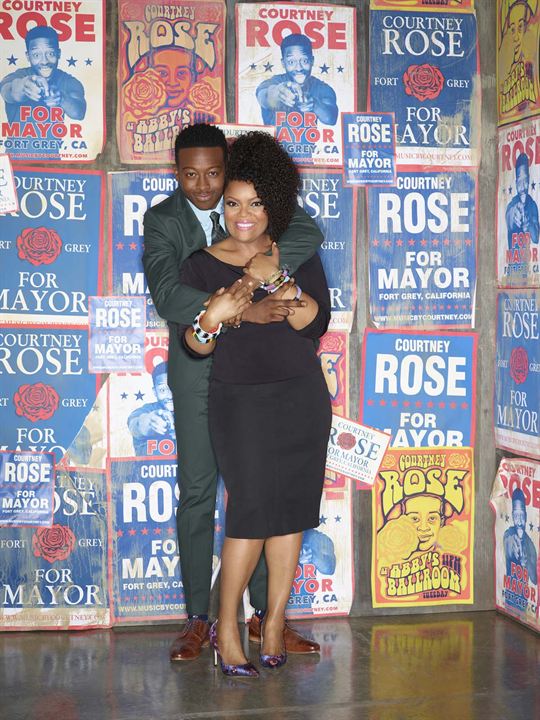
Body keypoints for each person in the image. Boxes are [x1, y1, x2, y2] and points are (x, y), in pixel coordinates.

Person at [142, 123, 323, 662]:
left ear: (229, 170)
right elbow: (170, 295)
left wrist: (270, 263)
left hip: (275, 380)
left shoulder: (256, 208)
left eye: (214, 173)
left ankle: (266, 617)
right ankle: (201, 618)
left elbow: (304, 236)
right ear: (176, 173)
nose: (203, 185)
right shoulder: (163, 220)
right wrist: (244, 303)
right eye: (191, 174)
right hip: (204, 374)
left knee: (272, 501)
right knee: (201, 493)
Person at [0, 25, 86, 124]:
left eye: (50, 54)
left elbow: (79, 113)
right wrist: (24, 87)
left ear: (58, 54)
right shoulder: (16, 76)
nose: (44, 61)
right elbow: (8, 92)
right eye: (36, 55)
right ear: (28, 56)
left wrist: (61, 98)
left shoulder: (69, 81)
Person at [256, 33, 338, 126]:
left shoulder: (322, 88)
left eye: (304, 61)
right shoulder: (273, 82)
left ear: (312, 61)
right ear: (283, 63)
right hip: (271, 141)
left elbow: (331, 118)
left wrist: (314, 104)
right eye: (291, 62)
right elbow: (264, 97)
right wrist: (279, 93)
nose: (299, 68)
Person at [127, 361, 175, 457]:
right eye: (162, 390)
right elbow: (135, 425)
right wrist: (151, 422)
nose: (169, 395)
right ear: (155, 392)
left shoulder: (195, 409)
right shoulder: (146, 411)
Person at [505, 152, 539, 249]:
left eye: (525, 181)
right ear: (516, 183)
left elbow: (536, 238)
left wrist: (529, 225)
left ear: (529, 181)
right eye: (520, 181)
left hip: (530, 261)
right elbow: (509, 218)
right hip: (514, 263)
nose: (522, 186)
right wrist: (515, 213)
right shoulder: (511, 205)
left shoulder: (532, 205)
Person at [503, 487, 538, 584]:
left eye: (521, 515)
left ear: (526, 516)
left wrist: (527, 564)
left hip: (524, 596)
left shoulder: (530, 545)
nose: (519, 520)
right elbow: (507, 542)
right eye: (516, 515)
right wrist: (513, 546)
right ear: (512, 516)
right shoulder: (508, 534)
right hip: (508, 595)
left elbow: (535, 580)